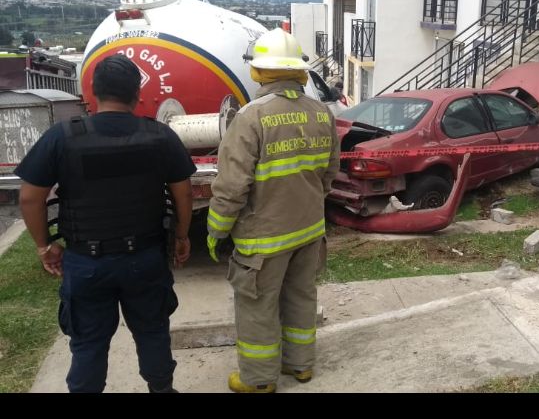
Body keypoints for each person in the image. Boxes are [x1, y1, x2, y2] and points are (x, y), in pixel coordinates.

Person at [15, 54, 196, 393]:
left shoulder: (62, 137)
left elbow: (29, 197)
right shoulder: (160, 136)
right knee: (153, 332)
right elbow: (183, 193)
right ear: (136, 95)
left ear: (94, 93)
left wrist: (44, 246)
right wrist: (182, 236)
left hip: (86, 263)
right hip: (145, 258)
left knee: (87, 344)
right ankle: (161, 389)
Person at [207, 28, 340, 393]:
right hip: (309, 231)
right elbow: (329, 174)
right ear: (297, 70)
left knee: (257, 306)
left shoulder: (250, 118)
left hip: (263, 239)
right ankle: (300, 366)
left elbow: (232, 186)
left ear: (259, 72)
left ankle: (259, 380)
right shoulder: (321, 113)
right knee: (301, 296)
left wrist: (217, 231)